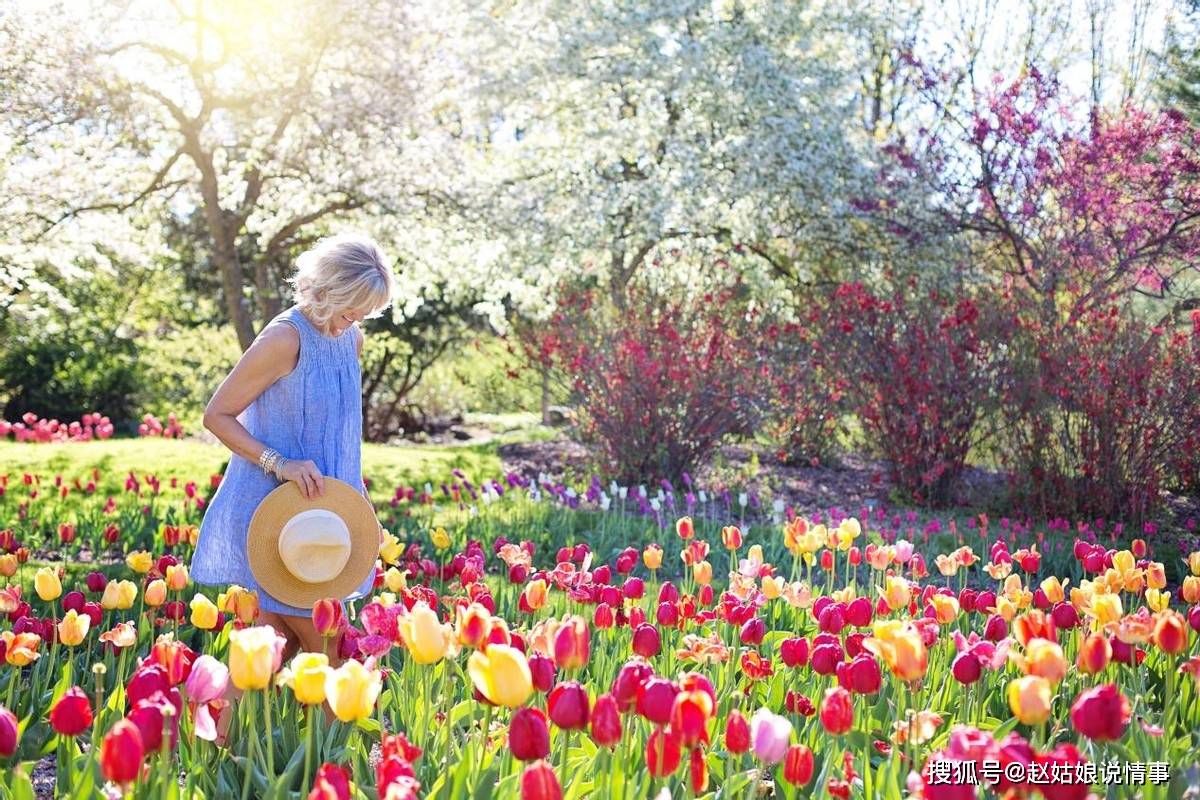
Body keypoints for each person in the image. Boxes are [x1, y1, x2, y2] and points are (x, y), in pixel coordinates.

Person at [191, 233, 396, 658]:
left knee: (269, 654)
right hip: (281, 518)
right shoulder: (285, 339)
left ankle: (199, 724)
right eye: (349, 310)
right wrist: (279, 463)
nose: (354, 322)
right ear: (326, 290)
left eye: (364, 314)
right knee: (333, 653)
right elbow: (217, 415)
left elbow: (341, 440)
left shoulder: (350, 340)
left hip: (324, 518)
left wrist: (360, 506)